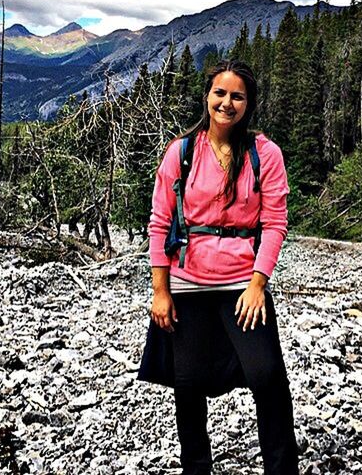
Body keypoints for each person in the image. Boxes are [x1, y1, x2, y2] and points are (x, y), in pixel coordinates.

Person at [142, 59, 298, 475]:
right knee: (188, 385)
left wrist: (257, 284)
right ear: (207, 95)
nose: (226, 103)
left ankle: (282, 469)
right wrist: (160, 292)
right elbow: (159, 223)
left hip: (242, 283)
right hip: (188, 283)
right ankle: (196, 469)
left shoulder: (265, 154)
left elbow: (275, 223)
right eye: (219, 93)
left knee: (267, 377)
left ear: (249, 103)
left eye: (237, 96)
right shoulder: (182, 152)